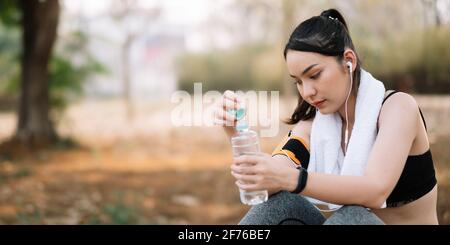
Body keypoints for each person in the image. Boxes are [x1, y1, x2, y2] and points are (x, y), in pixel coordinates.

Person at [214, 9, 438, 225]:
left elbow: (375, 190)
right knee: (279, 204)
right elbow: (268, 180)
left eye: (315, 75)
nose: (307, 91)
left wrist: (292, 178)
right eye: (299, 81)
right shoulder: (312, 127)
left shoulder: (397, 108)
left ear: (348, 60)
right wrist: (236, 133)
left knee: (352, 217)